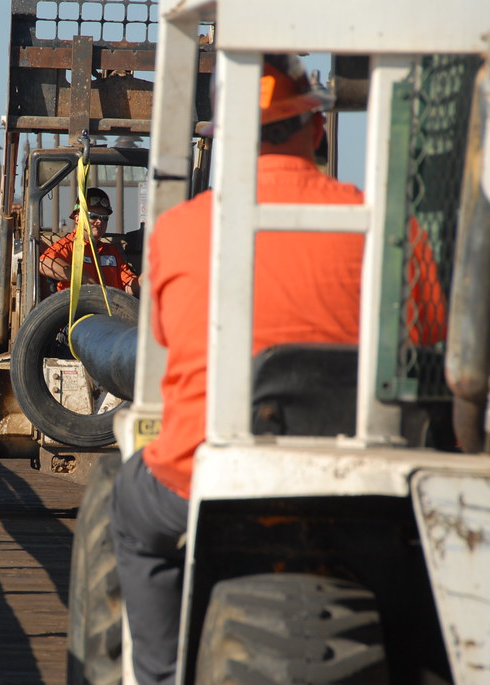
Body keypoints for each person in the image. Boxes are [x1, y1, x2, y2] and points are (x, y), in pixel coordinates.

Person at [108, 53, 445, 684]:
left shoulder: (180, 230)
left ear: (224, 139)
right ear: (315, 129)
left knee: (130, 512)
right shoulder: (397, 232)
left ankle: (157, 676)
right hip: (375, 482)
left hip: (208, 469)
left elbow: (162, 338)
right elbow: (428, 347)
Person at [38, 187, 140, 296]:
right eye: (93, 216)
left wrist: (145, 279)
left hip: (111, 310)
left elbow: (128, 287)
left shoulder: (111, 251)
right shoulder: (68, 245)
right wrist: (83, 277)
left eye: (104, 218)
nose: (99, 221)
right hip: (78, 311)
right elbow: (44, 263)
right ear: (77, 218)